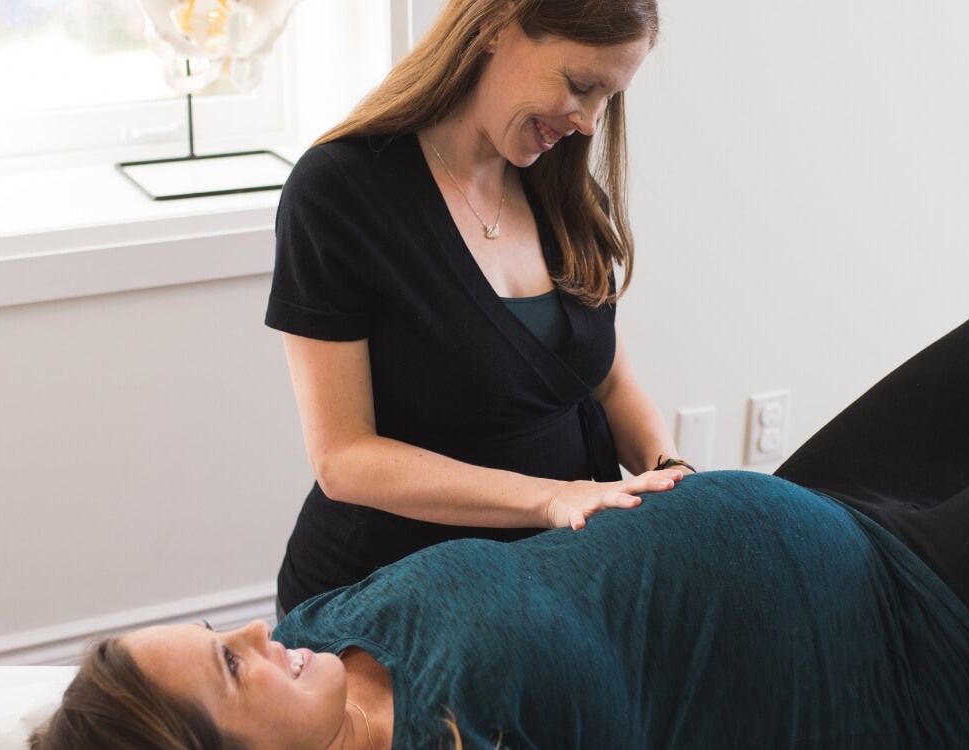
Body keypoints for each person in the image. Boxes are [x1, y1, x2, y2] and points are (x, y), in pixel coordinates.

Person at [34, 283, 969, 749]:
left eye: (220, 632)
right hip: (911, 660)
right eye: (226, 668)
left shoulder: (320, 626)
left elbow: (374, 469)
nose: (251, 636)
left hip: (825, 517)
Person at [264, 0, 688, 620]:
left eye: (609, 98)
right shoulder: (339, 193)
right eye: (579, 86)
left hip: (551, 581)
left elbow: (610, 381)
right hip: (392, 595)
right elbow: (343, 458)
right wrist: (552, 499)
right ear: (496, 25)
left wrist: (670, 475)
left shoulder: (565, 193)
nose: (592, 123)